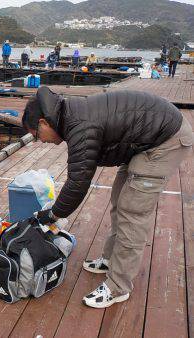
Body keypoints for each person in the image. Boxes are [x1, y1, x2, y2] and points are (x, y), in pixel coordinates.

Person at [22, 86, 193, 309]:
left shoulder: (79, 126)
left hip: (166, 141)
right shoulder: (70, 116)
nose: (39, 141)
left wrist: (52, 214)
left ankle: (118, 287)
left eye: (36, 136)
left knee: (132, 212)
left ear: (44, 122)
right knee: (119, 199)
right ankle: (111, 259)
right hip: (145, 140)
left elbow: (78, 182)